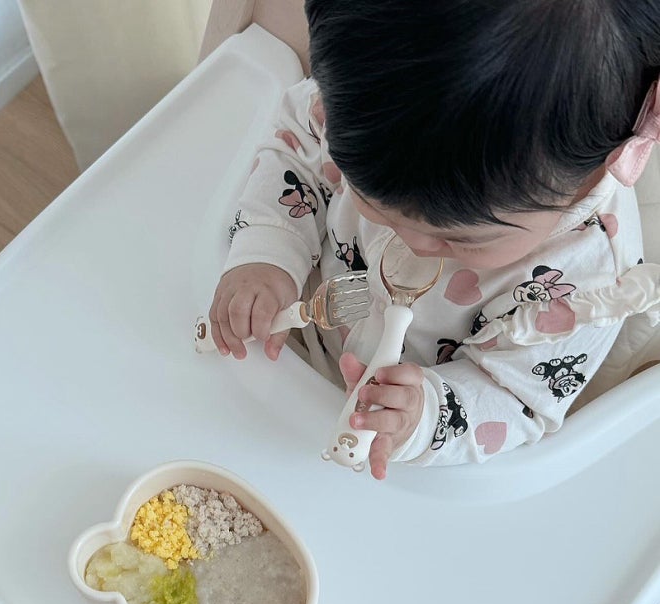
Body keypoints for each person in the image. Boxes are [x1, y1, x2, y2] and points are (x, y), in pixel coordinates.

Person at [206, 0, 660, 478]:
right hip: (290, 351)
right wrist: (269, 253)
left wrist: (426, 418)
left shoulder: (588, 282)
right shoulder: (368, 95)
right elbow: (296, 147)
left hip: (395, 440)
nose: (414, 244)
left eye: (461, 241)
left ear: (599, 163)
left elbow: (518, 399)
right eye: (374, 203)